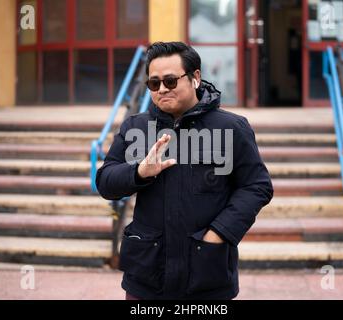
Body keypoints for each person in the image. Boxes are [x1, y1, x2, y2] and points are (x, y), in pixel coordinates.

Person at [95, 41, 273, 300]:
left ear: (195, 78)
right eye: (154, 83)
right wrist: (139, 173)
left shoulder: (232, 128)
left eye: (170, 81)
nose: (162, 89)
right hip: (146, 279)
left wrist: (219, 233)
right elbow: (105, 181)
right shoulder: (136, 127)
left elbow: (257, 186)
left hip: (206, 277)